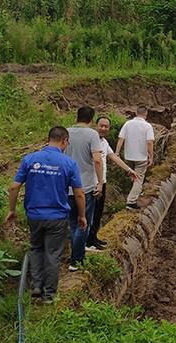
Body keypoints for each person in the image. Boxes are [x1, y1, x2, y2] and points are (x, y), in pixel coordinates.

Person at [5, 126, 87, 304]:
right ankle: (49, 295)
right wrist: (82, 215)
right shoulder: (68, 163)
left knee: (36, 249)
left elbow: (13, 187)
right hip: (57, 217)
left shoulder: (30, 159)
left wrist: (11, 210)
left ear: (48, 138)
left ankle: (36, 286)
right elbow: (79, 193)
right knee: (53, 254)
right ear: (64, 141)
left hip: (34, 215)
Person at [86, 116, 139, 251]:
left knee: (98, 213)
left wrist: (128, 169)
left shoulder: (104, 142)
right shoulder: (91, 140)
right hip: (93, 183)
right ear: (95, 125)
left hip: (102, 182)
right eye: (101, 125)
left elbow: (113, 156)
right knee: (90, 213)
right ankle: (87, 242)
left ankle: (93, 238)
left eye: (106, 126)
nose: (103, 128)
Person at [66, 106, 104, 271]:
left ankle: (75, 254)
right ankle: (76, 260)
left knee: (73, 223)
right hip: (85, 186)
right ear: (91, 119)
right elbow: (97, 160)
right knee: (84, 223)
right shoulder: (92, 134)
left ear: (77, 117)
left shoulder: (65, 133)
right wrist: (100, 182)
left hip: (66, 187)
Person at [116, 106, 155, 210]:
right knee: (138, 179)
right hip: (141, 157)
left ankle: (132, 194)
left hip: (128, 156)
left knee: (132, 176)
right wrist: (151, 156)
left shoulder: (127, 124)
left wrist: (117, 152)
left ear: (136, 113)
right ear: (145, 114)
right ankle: (131, 201)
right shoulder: (147, 126)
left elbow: (121, 138)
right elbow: (150, 142)